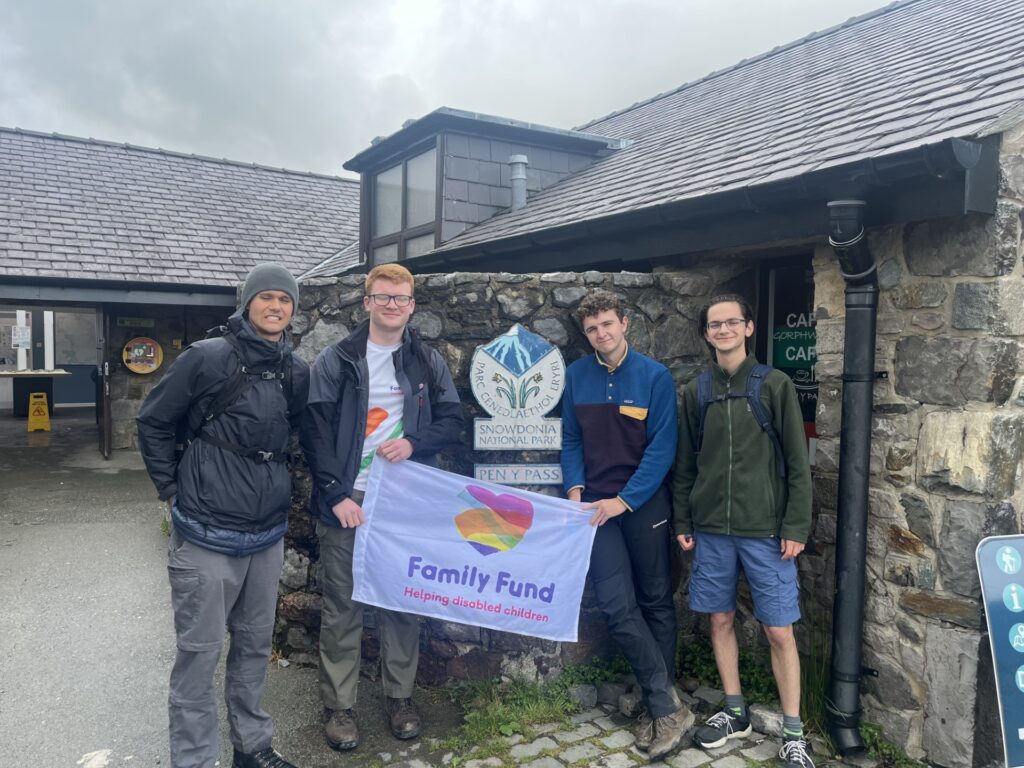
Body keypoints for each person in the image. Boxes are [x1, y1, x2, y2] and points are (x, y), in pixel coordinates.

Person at [137, 263, 310, 768]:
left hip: (266, 534)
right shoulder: (207, 358)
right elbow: (154, 422)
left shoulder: (294, 370)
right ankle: (192, 760)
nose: (276, 306)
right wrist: (170, 490)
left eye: (285, 300)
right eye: (267, 297)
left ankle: (252, 748)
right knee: (200, 653)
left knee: (254, 648)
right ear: (247, 303)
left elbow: (300, 435)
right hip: (205, 532)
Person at [300, 263, 463, 752]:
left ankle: (401, 697)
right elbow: (315, 429)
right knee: (343, 607)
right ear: (366, 301)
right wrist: (336, 494)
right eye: (383, 296)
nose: (393, 304)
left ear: (412, 306)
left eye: (401, 298)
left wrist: (413, 442)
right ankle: (340, 707)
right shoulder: (339, 358)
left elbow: (453, 420)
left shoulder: (425, 360)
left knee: (401, 602)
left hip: (405, 501)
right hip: (350, 498)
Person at [672, 294, 814, 768]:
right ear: (706, 333)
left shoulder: (775, 385)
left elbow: (798, 463)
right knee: (719, 620)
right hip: (711, 530)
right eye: (715, 324)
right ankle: (735, 712)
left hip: (767, 533)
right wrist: (684, 520)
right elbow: (686, 463)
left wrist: (795, 524)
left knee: (778, 629)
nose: (724, 330)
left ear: (749, 328)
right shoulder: (696, 391)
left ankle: (793, 733)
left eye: (732, 321)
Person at [560, 290, 694, 762]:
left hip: (643, 503)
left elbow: (662, 449)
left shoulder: (655, 377)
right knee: (617, 606)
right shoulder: (576, 376)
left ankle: (657, 695)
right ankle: (668, 707)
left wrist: (625, 500)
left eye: (608, 325)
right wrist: (576, 490)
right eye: (593, 329)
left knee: (655, 599)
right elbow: (571, 439)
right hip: (595, 509)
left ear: (625, 325)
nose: (601, 334)